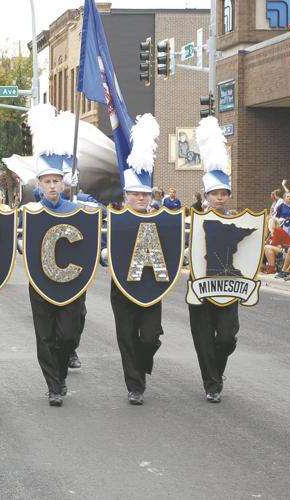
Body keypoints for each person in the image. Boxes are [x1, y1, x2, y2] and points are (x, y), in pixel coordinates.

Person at [20, 103, 88, 406]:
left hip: (71, 283)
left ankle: (60, 373)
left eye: (56, 181)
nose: (51, 186)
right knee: (45, 336)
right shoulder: (31, 211)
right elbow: (19, 236)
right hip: (41, 282)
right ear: (40, 184)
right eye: (46, 181)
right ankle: (53, 385)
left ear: (64, 183)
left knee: (69, 335)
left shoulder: (79, 210)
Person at [110, 114, 164, 406]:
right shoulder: (115, 220)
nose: (141, 197)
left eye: (145, 193)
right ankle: (135, 385)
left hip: (151, 286)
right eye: (135, 193)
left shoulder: (161, 219)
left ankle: (143, 363)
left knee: (150, 337)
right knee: (127, 337)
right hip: (122, 287)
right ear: (126, 195)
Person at [188, 117, 241, 404]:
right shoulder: (193, 220)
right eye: (215, 193)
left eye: (224, 193)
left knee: (227, 338)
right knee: (204, 339)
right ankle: (212, 383)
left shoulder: (239, 220)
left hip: (229, 288)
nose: (220, 198)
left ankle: (216, 374)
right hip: (200, 288)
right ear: (206, 195)